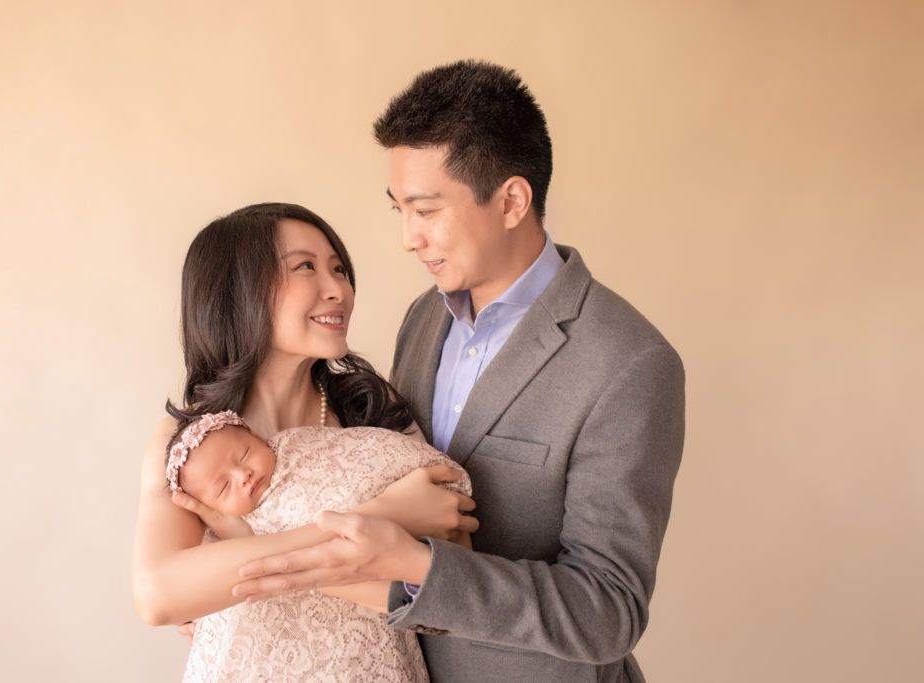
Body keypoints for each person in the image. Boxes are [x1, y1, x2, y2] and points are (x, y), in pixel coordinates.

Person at [231, 61, 686, 683]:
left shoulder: (630, 363)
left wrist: (419, 566)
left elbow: (609, 611)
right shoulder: (424, 318)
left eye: (425, 210)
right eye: (398, 210)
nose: (407, 239)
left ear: (511, 201)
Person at [131, 203, 478, 678]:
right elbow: (159, 595)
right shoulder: (191, 441)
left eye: (338, 268)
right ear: (239, 293)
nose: (338, 289)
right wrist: (377, 521)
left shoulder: (374, 410)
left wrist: (242, 556)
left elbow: (445, 584)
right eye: (305, 267)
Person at [163, 410, 471, 681]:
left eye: (243, 455)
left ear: (255, 435)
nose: (243, 476)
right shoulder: (224, 528)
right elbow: (169, 596)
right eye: (224, 487)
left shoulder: (310, 446)